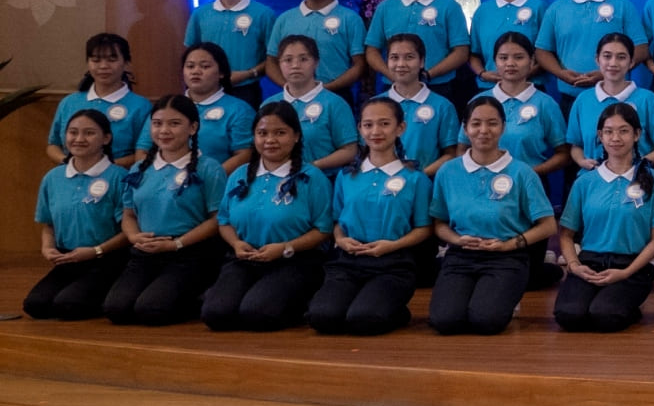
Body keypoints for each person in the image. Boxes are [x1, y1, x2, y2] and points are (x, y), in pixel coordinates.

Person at [428, 96, 557, 336]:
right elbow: (439, 223)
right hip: (461, 256)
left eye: (492, 123)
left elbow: (548, 225)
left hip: (506, 256)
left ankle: (513, 291)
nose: (484, 131)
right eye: (476, 124)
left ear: (503, 127)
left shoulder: (522, 172)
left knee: (486, 321)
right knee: (444, 321)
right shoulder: (448, 171)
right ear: (465, 129)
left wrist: (511, 244)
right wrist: (456, 240)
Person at [201, 103, 333, 331]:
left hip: (294, 259)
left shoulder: (312, 177)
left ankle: (301, 301)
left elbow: (323, 230)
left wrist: (285, 248)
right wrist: (236, 243)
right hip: (246, 258)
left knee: (257, 314)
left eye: (280, 133)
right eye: (262, 133)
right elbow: (224, 221)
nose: (270, 140)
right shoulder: (240, 175)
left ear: (296, 136)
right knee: (215, 314)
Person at [307, 97, 434, 336]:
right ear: (360, 129)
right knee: (322, 317)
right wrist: (341, 240)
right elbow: (337, 221)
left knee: (364, 320)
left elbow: (424, 229)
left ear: (400, 128)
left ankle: (392, 310)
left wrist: (392, 245)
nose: (375, 131)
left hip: (393, 263)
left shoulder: (415, 179)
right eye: (368, 125)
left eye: (384, 124)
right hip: (349, 261)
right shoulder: (347, 176)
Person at [103, 95, 228, 327]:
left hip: (188, 253)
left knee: (151, 310)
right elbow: (128, 214)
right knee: (116, 309)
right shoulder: (140, 168)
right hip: (146, 252)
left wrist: (176, 244)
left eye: (174, 123)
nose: (164, 130)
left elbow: (217, 219)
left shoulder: (209, 168)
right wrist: (133, 237)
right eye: (158, 123)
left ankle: (202, 294)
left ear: (193, 127)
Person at [553, 103, 654, 333]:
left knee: (605, 316)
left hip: (632, 265)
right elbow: (566, 234)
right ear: (600, 136)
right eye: (608, 131)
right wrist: (575, 266)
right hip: (590, 261)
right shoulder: (584, 182)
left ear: (637, 134)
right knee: (568, 316)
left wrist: (627, 272)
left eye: (624, 130)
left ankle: (625, 303)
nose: (615, 138)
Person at [24, 108, 129, 319]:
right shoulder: (53, 178)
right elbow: (48, 224)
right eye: (73, 132)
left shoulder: (120, 177)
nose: (79, 139)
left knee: (68, 306)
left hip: (106, 259)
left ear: (106, 138)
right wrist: (48, 248)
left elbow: (128, 231)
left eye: (89, 133)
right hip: (68, 259)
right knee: (35, 306)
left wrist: (96, 251)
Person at [536, 0, 646, 91]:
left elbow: (641, 49)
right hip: (570, 94)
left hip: (616, 94)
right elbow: (542, 51)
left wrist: (606, 72)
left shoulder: (623, 6)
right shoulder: (556, 9)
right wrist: (561, 73)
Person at [364, 0, 469, 90]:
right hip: (392, 86)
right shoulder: (386, 7)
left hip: (437, 87)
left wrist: (428, 74)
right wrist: (391, 74)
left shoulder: (449, 7)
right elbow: (372, 50)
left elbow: (461, 52)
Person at [136, 43, 255, 172]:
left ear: (222, 72)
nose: (195, 71)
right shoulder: (166, 105)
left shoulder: (239, 109)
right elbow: (142, 151)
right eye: (190, 66)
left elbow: (244, 154)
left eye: (205, 66)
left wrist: (209, 178)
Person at [184, 0, 275, 106]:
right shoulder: (200, 14)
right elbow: (190, 53)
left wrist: (248, 74)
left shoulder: (263, 14)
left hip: (245, 90)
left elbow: (274, 58)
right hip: (205, 90)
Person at [265, 0, 366, 95]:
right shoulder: (285, 19)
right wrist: (290, 88)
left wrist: (325, 90)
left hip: (336, 94)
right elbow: (271, 61)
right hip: (292, 95)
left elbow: (359, 65)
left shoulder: (350, 19)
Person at [565, 32, 654, 169]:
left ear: (631, 62)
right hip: (593, 178)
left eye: (621, 57)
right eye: (607, 56)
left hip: (638, 181)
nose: (613, 63)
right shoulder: (583, 100)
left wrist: (640, 164)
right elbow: (575, 145)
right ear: (597, 60)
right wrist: (582, 161)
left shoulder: (648, 100)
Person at [475, 32, 571, 177]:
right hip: (484, 182)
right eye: (503, 58)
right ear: (495, 61)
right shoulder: (478, 102)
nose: (510, 63)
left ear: (532, 61)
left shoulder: (545, 103)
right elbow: (463, 147)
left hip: (531, 184)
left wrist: (528, 174)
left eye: (519, 57)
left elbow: (564, 154)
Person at [45, 32, 145, 166]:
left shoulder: (141, 106)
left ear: (126, 63)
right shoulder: (69, 102)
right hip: (71, 176)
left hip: (119, 179)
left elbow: (145, 153)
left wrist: (103, 167)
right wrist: (70, 163)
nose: (103, 66)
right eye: (96, 60)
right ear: (88, 63)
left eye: (112, 60)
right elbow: (53, 145)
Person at [272, 34, 361, 172]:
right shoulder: (269, 104)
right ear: (279, 63)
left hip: (323, 180)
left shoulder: (335, 103)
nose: (295, 65)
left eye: (303, 59)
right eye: (288, 60)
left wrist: (311, 167)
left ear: (316, 62)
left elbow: (349, 150)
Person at [378, 33, 460, 173]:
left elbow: (451, 154)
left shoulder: (442, 106)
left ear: (422, 61)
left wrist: (420, 177)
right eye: (394, 58)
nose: (401, 64)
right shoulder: (375, 105)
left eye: (409, 57)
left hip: (425, 183)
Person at [469, 0, 543, 89]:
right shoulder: (483, 10)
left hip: (529, 88)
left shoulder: (539, 7)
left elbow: (547, 53)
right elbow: (473, 53)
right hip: (489, 89)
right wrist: (483, 74)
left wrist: (520, 75)